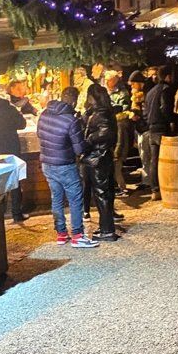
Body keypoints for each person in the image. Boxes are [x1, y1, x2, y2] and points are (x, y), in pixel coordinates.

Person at [37, 86, 99, 248]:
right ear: (73, 100)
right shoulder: (71, 120)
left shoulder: (44, 114)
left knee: (56, 198)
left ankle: (61, 234)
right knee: (75, 199)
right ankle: (78, 235)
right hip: (65, 165)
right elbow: (79, 149)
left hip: (47, 164)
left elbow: (40, 136)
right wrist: (89, 143)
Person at [80, 85, 123, 241]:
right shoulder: (102, 111)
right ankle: (106, 227)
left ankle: (107, 230)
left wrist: (89, 139)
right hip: (101, 156)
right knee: (105, 193)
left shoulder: (102, 113)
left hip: (98, 157)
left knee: (102, 194)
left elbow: (107, 132)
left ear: (92, 96)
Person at [0, 85, 30, 223]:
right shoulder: (8, 108)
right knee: (15, 178)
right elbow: (22, 124)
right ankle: (16, 213)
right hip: (11, 146)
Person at [144, 65, 175, 200]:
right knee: (167, 160)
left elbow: (145, 112)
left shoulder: (150, 92)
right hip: (162, 128)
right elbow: (165, 108)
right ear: (168, 76)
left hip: (152, 128)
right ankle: (168, 187)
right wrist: (173, 121)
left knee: (154, 160)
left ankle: (155, 190)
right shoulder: (166, 90)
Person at [104, 68, 132, 197]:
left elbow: (124, 108)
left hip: (117, 124)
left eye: (110, 80)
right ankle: (118, 187)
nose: (108, 82)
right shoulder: (103, 91)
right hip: (109, 127)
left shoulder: (122, 92)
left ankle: (121, 188)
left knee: (117, 166)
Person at [128, 71, 150, 189]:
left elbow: (146, 113)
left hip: (145, 128)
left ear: (139, 83)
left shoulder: (144, 96)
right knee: (143, 156)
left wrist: (138, 116)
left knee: (146, 156)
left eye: (133, 84)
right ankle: (146, 180)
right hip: (140, 128)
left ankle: (148, 182)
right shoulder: (135, 96)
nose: (131, 87)